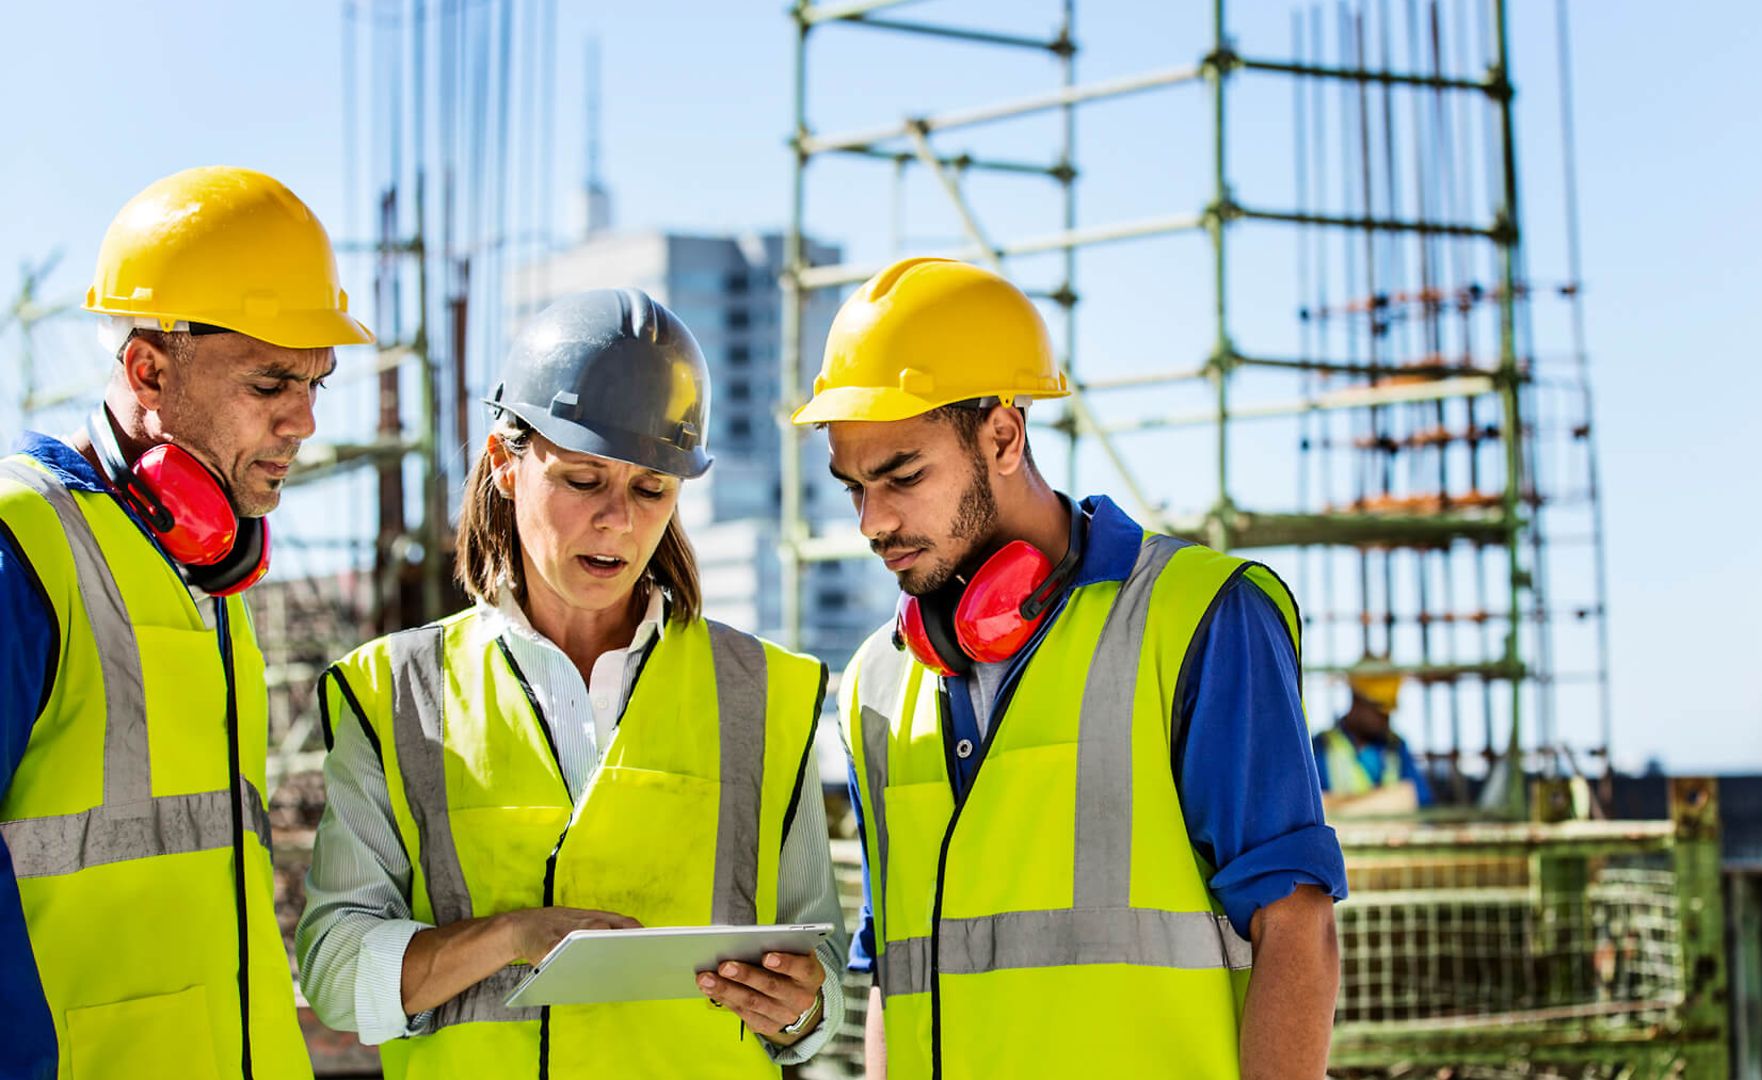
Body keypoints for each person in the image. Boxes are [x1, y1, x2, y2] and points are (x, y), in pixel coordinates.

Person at [791, 256, 1346, 1079]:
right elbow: (894, 980)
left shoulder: (1199, 619)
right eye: (853, 489)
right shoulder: (879, 679)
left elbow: (1296, 928)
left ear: (1004, 437)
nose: (874, 522)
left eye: (903, 475)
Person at [295, 289, 847, 1077]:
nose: (618, 521)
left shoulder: (764, 695)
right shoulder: (395, 694)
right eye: (584, 480)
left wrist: (801, 1010)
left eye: (651, 489)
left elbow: (812, 994)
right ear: (505, 465)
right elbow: (339, 977)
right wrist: (511, 939)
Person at [0, 165, 371, 1079]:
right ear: (147, 367)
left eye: (318, 383)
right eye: (271, 382)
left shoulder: (205, 572)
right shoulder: (24, 547)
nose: (303, 422)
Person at [1312, 666, 1434, 812]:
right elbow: (1316, 808)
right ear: (1356, 701)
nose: (1385, 719)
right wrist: (1391, 801)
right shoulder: (1322, 747)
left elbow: (1419, 800)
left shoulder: (1396, 746)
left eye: (1387, 712)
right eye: (1378, 709)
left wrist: (1344, 806)